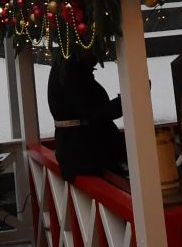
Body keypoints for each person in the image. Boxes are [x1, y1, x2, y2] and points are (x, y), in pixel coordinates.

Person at [48, 51, 125, 181]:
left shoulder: (66, 68)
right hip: (84, 154)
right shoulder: (72, 73)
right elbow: (92, 112)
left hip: (80, 152)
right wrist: (125, 103)